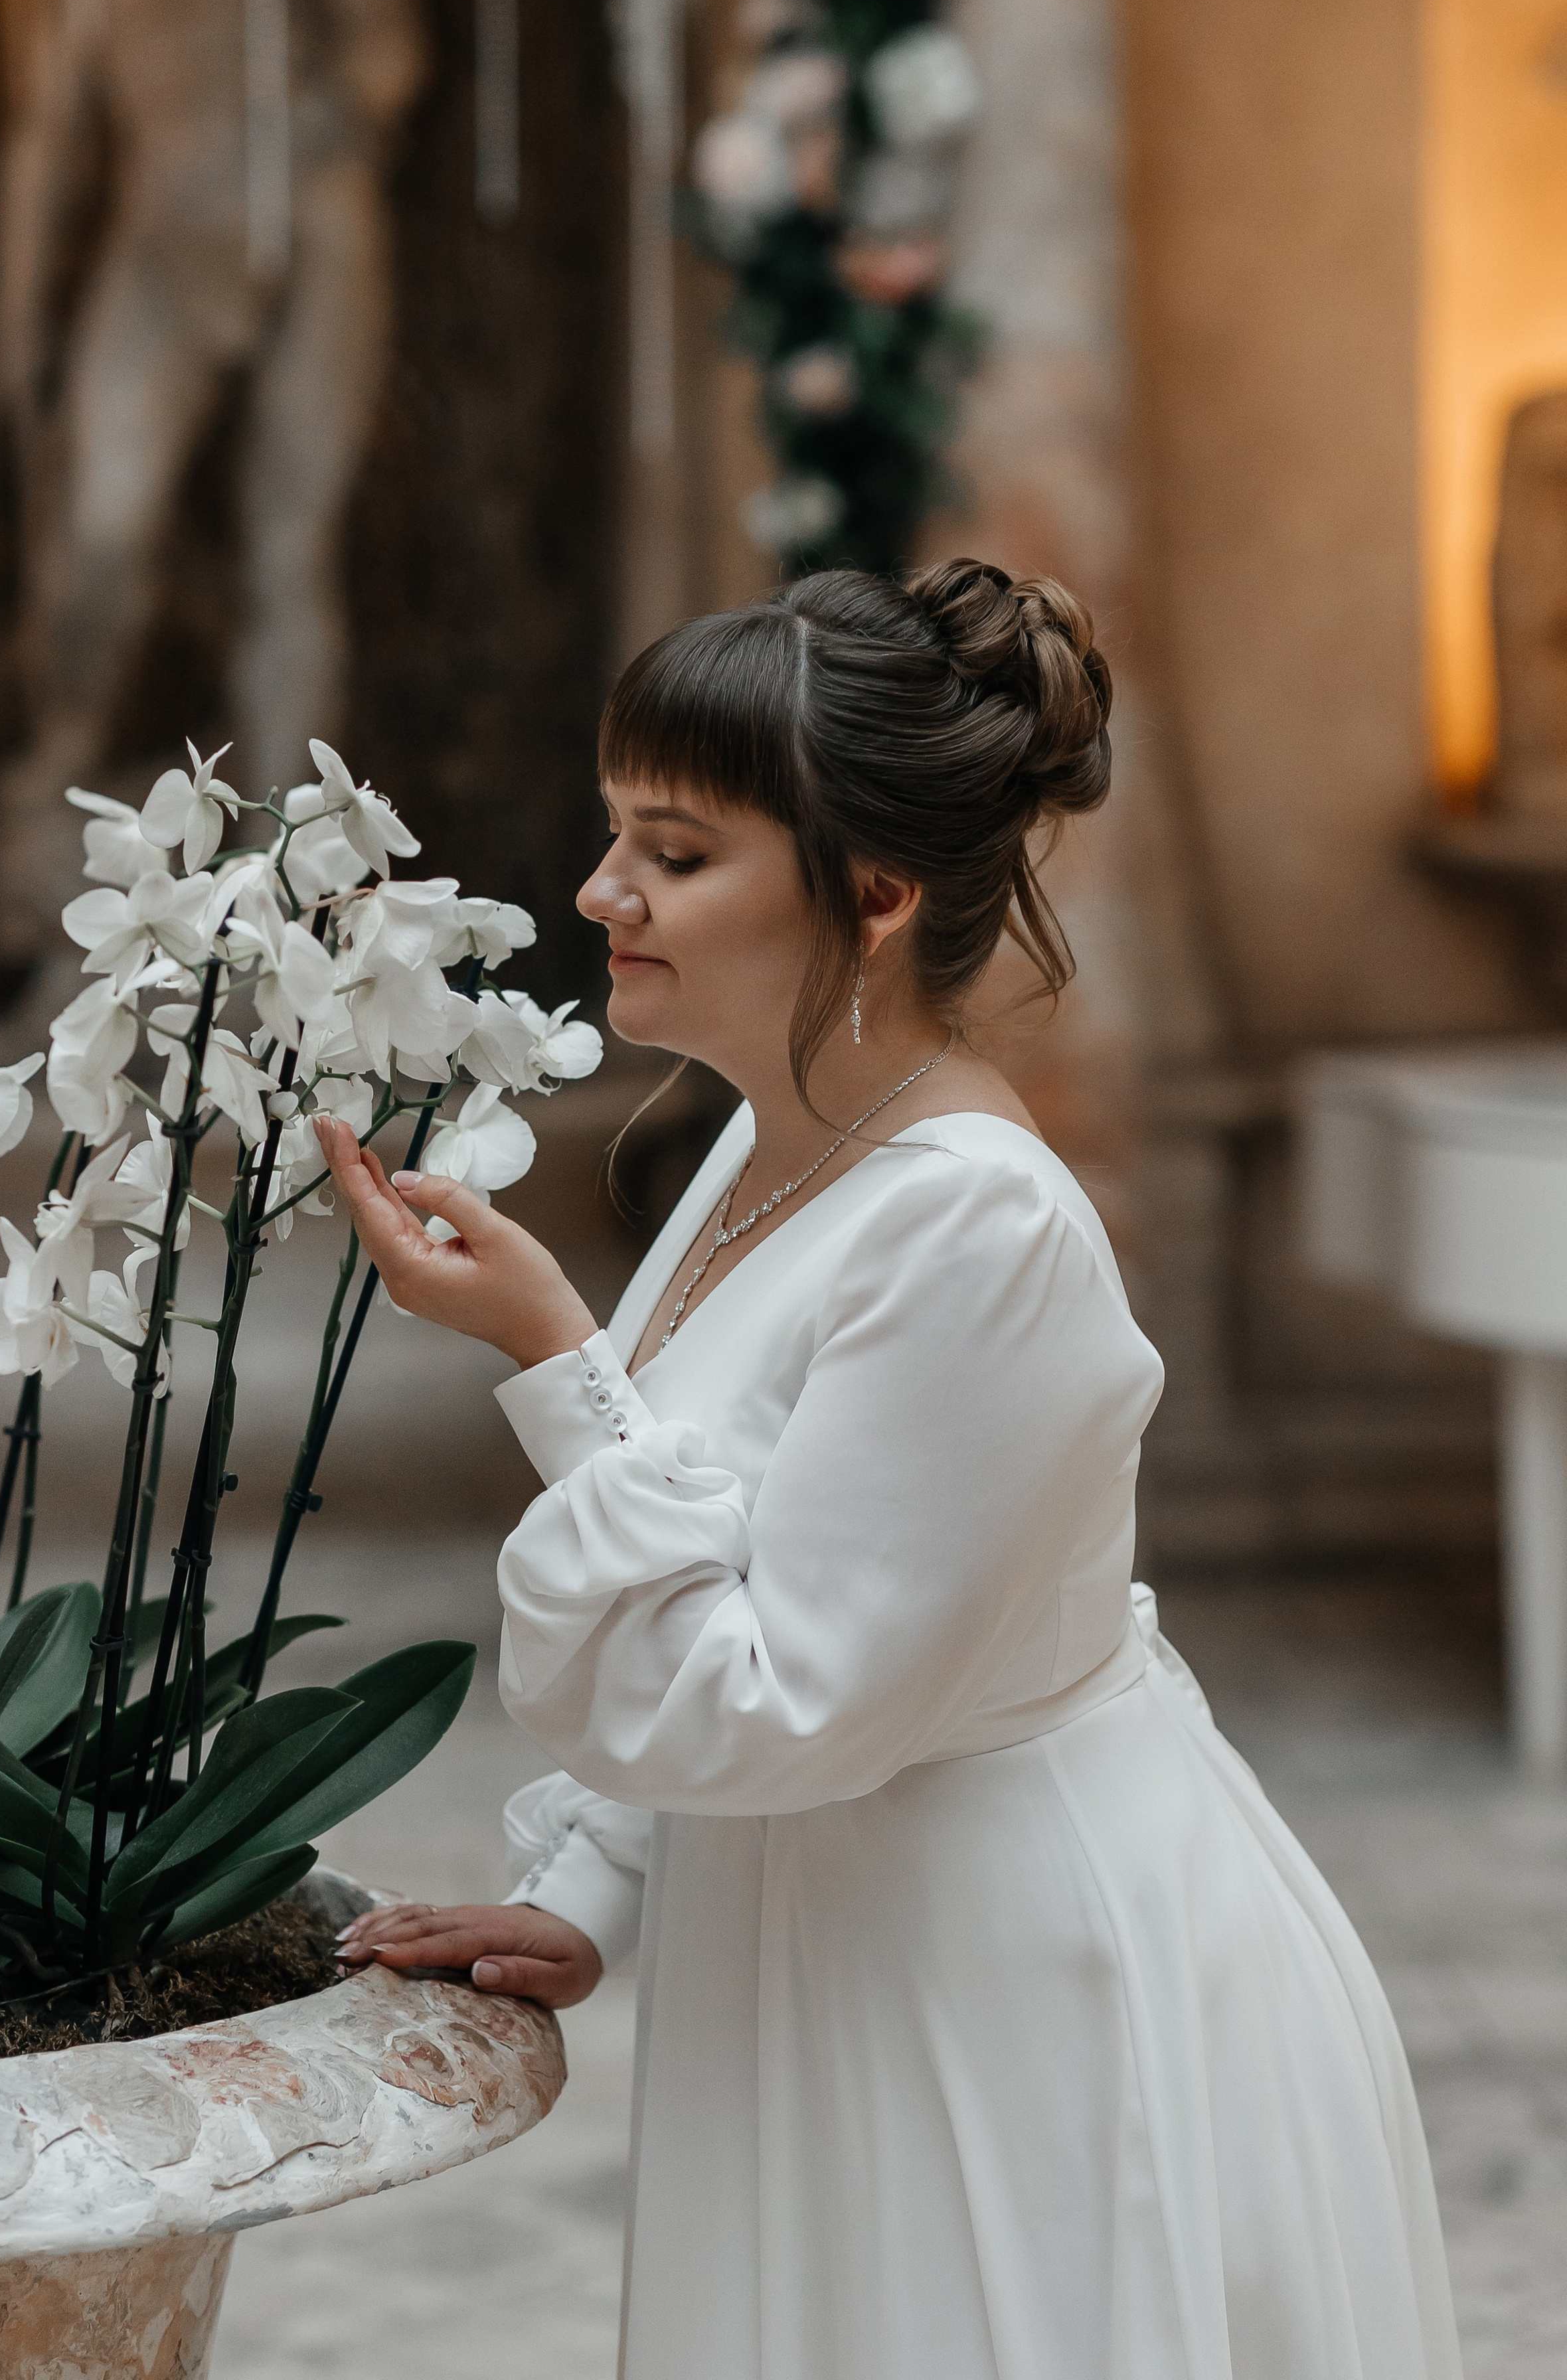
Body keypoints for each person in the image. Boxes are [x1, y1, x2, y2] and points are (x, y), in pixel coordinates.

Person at [319, 561, 1461, 2380]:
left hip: (1005, 1988)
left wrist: (553, 1361)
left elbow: (781, 1695)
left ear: (875, 891)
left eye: (676, 853)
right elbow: (764, 1571)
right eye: (616, 835)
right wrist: (595, 1888)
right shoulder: (771, 1146)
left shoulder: (978, 1230)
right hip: (834, 1934)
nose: (602, 891)